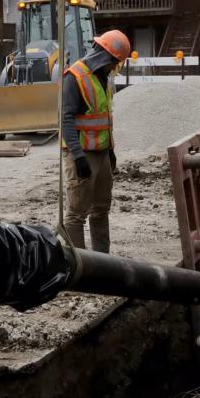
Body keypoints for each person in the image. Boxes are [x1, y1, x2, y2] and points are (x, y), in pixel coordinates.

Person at [61, 28, 132, 253]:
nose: (114, 68)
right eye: (115, 63)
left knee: (101, 209)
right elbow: (66, 118)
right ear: (105, 56)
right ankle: (80, 265)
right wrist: (78, 156)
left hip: (101, 154)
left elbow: (103, 120)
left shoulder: (103, 78)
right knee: (76, 213)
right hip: (81, 154)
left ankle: (102, 260)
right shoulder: (75, 77)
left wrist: (110, 154)